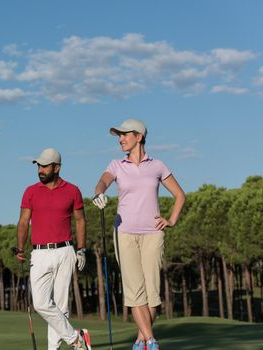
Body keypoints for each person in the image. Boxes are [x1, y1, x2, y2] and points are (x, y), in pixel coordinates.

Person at [92, 119, 185, 350]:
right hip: (124, 233)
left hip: (153, 234)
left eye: (124, 135)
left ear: (139, 136)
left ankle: (140, 340)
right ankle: (151, 341)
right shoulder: (116, 164)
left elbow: (180, 195)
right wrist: (99, 193)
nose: (121, 139)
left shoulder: (157, 165)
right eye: (119, 136)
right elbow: (102, 182)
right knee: (135, 290)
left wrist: (171, 220)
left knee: (152, 293)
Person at [15, 147, 92, 350]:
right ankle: (76, 340)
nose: (40, 169)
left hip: (65, 251)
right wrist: (20, 248)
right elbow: (23, 222)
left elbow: (80, 221)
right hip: (39, 253)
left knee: (61, 307)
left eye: (44, 166)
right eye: (38, 165)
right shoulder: (31, 191)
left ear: (57, 167)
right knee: (41, 304)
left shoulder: (72, 190)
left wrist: (81, 249)